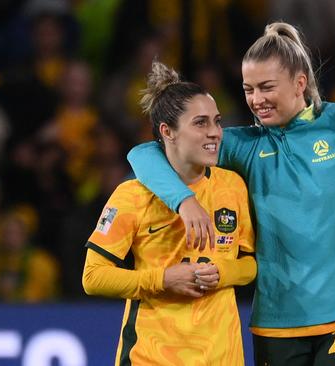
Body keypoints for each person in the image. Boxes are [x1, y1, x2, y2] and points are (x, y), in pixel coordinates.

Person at [127, 22, 335, 365]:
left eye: (266, 87)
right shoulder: (245, 145)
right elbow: (144, 153)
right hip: (275, 324)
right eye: (248, 89)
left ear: (300, 83)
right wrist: (184, 201)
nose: (256, 100)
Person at [82, 61, 256, 365]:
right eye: (200, 123)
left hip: (222, 355)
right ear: (168, 131)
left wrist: (221, 273)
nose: (215, 132)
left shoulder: (233, 186)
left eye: (217, 121)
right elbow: (93, 277)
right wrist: (163, 279)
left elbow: (249, 264)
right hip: (153, 356)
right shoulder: (132, 195)